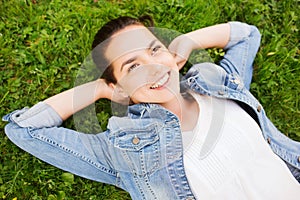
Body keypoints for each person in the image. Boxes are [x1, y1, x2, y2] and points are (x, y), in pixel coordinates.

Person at [3, 16, 300, 200]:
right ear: (120, 86)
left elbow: (246, 35)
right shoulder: (123, 148)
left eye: (155, 50)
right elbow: (24, 129)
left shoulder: (215, 81)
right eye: (133, 67)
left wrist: (187, 42)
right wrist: (100, 89)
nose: (153, 68)